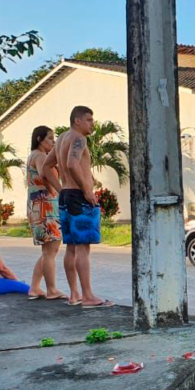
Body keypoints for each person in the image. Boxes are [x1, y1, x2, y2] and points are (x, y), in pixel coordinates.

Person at [50, 105, 113, 308]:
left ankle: (74, 294)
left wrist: (61, 189)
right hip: (78, 196)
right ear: (77, 120)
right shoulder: (78, 138)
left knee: (71, 248)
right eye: (89, 120)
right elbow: (71, 163)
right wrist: (86, 189)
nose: (92, 124)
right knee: (83, 249)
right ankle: (87, 296)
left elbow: (46, 167)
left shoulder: (61, 139)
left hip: (67, 195)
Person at [25, 125, 67, 300]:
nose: (53, 142)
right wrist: (61, 191)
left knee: (48, 250)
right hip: (46, 205)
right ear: (39, 139)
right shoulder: (41, 156)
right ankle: (51, 290)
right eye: (50, 138)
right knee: (51, 250)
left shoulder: (32, 156)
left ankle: (34, 287)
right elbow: (45, 174)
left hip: (37, 204)